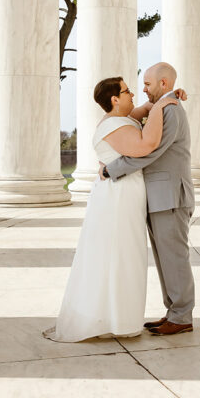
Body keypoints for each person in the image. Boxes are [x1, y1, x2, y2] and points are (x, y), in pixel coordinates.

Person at [43, 76, 180, 342]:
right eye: (127, 91)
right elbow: (146, 145)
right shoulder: (114, 125)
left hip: (126, 193)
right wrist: (163, 105)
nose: (133, 95)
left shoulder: (123, 118)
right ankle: (113, 319)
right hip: (118, 196)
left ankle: (119, 317)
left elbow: (144, 110)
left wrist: (167, 97)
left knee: (126, 253)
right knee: (119, 253)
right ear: (114, 99)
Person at [101, 62, 195, 336]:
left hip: (170, 196)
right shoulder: (162, 107)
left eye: (148, 84)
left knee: (175, 258)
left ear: (163, 84)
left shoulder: (171, 111)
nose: (143, 89)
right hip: (159, 197)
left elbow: (149, 152)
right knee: (165, 258)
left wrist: (112, 169)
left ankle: (181, 315)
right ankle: (174, 312)